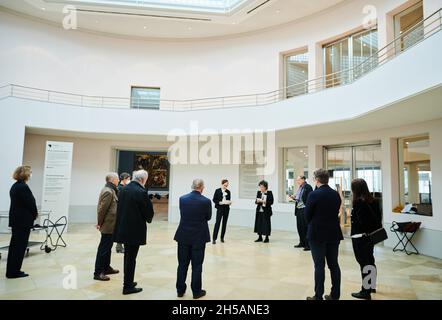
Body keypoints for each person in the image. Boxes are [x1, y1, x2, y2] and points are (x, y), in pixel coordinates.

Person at [305, 169, 343, 300]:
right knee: (334, 265)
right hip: (333, 233)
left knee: (319, 266)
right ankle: (335, 294)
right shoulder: (335, 194)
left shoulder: (313, 195)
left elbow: (307, 216)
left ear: (316, 180)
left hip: (317, 234)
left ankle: (318, 295)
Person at [114, 170, 154, 295]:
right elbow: (149, 213)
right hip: (134, 230)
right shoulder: (141, 192)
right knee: (131, 258)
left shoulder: (124, 189)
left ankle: (129, 282)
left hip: (123, 228)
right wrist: (148, 217)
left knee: (128, 257)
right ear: (142, 180)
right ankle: (127, 286)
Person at [174, 179, 212, 299]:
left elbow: (183, 214)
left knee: (182, 264)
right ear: (201, 187)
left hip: (183, 236)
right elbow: (208, 217)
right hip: (199, 237)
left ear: (192, 186)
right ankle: (196, 291)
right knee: (197, 265)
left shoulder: (182, 199)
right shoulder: (206, 201)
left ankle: (180, 290)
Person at [350, 178, 382, 300]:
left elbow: (363, 222)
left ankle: (365, 291)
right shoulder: (373, 201)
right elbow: (378, 219)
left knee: (364, 263)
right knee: (370, 261)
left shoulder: (359, 202)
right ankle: (371, 286)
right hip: (371, 237)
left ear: (356, 189)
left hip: (361, 237)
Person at [6, 166, 38, 279]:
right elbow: (30, 203)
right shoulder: (23, 187)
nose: (30, 175)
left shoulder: (15, 186)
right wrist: (35, 214)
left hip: (17, 221)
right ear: (24, 174)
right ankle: (14, 271)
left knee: (15, 247)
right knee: (19, 247)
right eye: (29, 173)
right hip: (22, 222)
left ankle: (11, 270)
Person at [93, 172, 120, 281]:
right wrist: (99, 223)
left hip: (111, 225)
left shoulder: (112, 190)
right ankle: (98, 272)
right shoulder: (108, 191)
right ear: (112, 180)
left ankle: (106, 267)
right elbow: (101, 210)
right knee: (103, 249)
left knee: (108, 248)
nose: (118, 180)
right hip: (108, 225)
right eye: (117, 179)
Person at [290, 176, 313, 251]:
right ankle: (301, 242)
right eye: (297, 180)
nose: (297, 181)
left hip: (304, 209)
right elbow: (299, 197)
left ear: (303, 180)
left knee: (305, 227)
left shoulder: (308, 187)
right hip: (299, 209)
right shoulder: (300, 187)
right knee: (299, 227)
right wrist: (294, 197)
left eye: (299, 180)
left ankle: (308, 245)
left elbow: (309, 198)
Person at [212, 179, 231, 244]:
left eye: (227, 185)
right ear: (222, 184)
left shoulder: (228, 191)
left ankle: (222, 238)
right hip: (220, 208)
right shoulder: (217, 191)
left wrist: (229, 202)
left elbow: (228, 199)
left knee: (224, 223)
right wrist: (219, 202)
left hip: (226, 209)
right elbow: (214, 199)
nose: (226, 186)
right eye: (225, 185)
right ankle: (214, 238)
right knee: (217, 223)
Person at [115, 172, 131, 254]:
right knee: (120, 229)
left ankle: (120, 246)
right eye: (128, 179)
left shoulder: (123, 187)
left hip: (122, 211)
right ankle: (119, 247)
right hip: (120, 211)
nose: (129, 180)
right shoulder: (120, 188)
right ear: (124, 179)